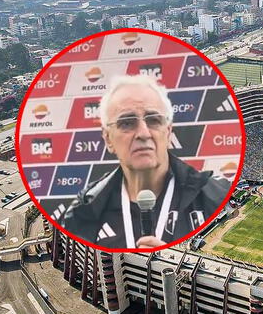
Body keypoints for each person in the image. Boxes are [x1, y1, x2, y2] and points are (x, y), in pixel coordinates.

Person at [62, 75, 231, 249]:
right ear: (108, 138)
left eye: (153, 120)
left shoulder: (216, 195)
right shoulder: (81, 216)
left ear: (168, 131)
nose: (143, 133)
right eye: (126, 122)